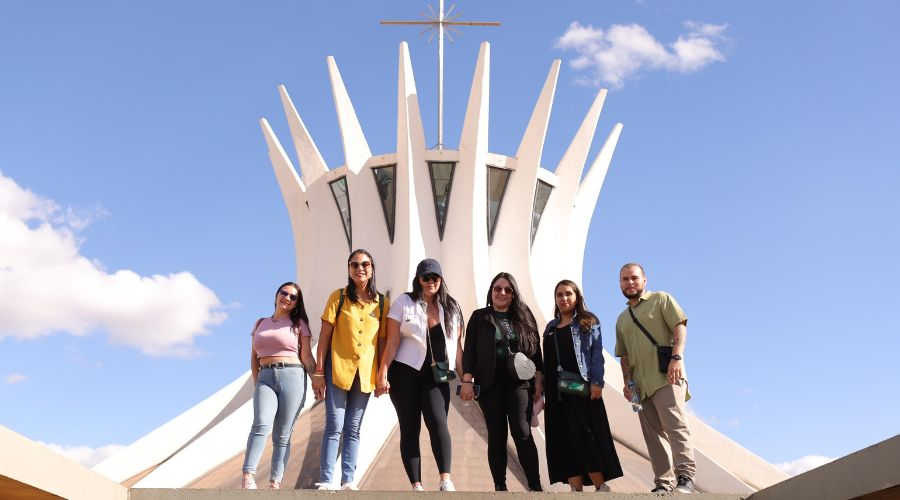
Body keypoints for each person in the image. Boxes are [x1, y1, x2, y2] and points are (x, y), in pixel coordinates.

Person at [376, 258, 463, 492]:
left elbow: (457, 347)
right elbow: (392, 341)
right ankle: (416, 485)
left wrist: (466, 379)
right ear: (418, 279)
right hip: (405, 372)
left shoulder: (451, 307)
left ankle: (445, 480)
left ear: (441, 279)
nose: (430, 281)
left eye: (435, 277)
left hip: (437, 375)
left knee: (438, 421)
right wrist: (383, 372)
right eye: (426, 277)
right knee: (410, 426)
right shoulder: (404, 302)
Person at [311, 249, 390, 490]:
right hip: (338, 368)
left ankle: (348, 480)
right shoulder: (338, 297)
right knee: (334, 425)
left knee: (353, 428)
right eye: (354, 264)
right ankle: (326, 480)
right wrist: (318, 372)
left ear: (372, 269)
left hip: (365, 373)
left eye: (365, 264)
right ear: (348, 269)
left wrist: (382, 375)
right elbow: (324, 337)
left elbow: (383, 341)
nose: (360, 268)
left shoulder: (382, 303)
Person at [459, 272, 543, 492]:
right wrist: (467, 380)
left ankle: (535, 485)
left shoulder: (524, 316)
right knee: (497, 435)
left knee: (522, 432)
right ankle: (500, 486)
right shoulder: (480, 317)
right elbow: (470, 350)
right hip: (490, 384)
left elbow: (536, 351)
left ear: (513, 294)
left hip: (519, 384)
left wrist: (539, 381)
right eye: (497, 288)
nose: (502, 293)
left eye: (507, 289)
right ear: (491, 291)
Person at [615, 263, 695, 494]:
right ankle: (664, 482)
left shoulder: (661, 299)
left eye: (634, 278)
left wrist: (677, 357)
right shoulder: (622, 319)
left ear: (644, 280)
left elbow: (680, 327)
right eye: (625, 279)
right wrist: (627, 381)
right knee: (653, 436)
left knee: (675, 426)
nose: (630, 283)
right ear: (620, 284)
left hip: (666, 375)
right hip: (641, 385)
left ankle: (685, 476)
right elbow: (624, 355)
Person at [541, 279, 623, 491]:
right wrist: (542, 391)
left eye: (568, 293)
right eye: (559, 294)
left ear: (577, 297)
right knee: (563, 439)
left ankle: (600, 487)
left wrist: (597, 382)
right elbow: (546, 362)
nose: (564, 298)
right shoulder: (550, 328)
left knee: (584, 435)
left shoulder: (587, 321)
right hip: (556, 394)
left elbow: (596, 354)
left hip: (580, 389)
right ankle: (575, 491)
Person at [241, 282, 315, 490]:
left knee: (283, 434)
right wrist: (257, 382)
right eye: (284, 293)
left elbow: (306, 356)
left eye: (293, 297)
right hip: (265, 377)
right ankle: (248, 476)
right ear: (276, 295)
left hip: (293, 376)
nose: (287, 298)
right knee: (260, 424)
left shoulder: (299, 324)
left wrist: (317, 378)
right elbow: (254, 358)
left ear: (296, 303)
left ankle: (275, 482)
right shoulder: (260, 323)